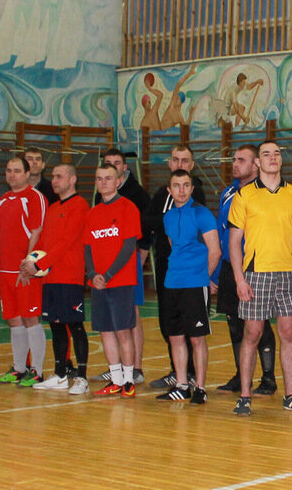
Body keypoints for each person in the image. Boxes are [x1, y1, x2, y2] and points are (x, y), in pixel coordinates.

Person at [229, 140, 292, 416]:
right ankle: (245, 396)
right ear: (258, 162)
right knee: (252, 334)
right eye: (266, 154)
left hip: (290, 274)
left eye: (277, 154)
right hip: (256, 274)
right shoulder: (244, 195)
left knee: (288, 334)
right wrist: (239, 279)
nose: (272, 158)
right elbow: (234, 242)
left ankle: (291, 394)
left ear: (281, 159)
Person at [214, 145, 278, 395]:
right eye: (234, 159)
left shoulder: (263, 192)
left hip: (254, 267)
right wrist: (216, 273)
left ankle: (269, 378)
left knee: (259, 324)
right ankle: (242, 375)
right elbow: (222, 234)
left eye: (241, 160)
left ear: (256, 165)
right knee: (234, 323)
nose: (235, 164)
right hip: (229, 267)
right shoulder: (228, 193)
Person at [143, 145, 206, 389]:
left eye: (185, 160)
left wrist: (162, 221)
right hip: (166, 266)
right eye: (176, 160)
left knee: (191, 327)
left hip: (189, 271)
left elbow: (183, 223)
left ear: (192, 165)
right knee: (169, 324)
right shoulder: (162, 193)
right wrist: (163, 221)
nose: (180, 164)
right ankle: (177, 371)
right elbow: (146, 221)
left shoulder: (196, 192)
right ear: (169, 163)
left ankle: (192, 375)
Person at [156, 169, 221, 404]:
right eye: (176, 185)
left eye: (186, 185)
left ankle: (200, 388)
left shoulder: (202, 213)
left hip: (195, 285)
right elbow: (174, 247)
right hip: (172, 284)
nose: (181, 190)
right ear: (169, 190)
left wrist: (204, 277)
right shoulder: (168, 217)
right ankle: (182, 385)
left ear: (192, 188)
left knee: (197, 338)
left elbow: (215, 251)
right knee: (175, 337)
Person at [24, 164, 90, 395]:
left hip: (69, 276)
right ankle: (60, 375)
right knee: (56, 325)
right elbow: (44, 241)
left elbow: (66, 242)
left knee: (75, 325)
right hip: (50, 278)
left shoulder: (80, 206)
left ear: (72, 180)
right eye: (53, 176)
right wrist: (29, 261)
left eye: (59, 176)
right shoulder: (52, 208)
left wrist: (39, 264)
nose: (54, 180)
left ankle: (81, 378)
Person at [92, 148, 150, 384]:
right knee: (108, 327)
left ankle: (134, 370)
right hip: (102, 276)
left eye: (116, 165)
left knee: (129, 319)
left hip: (125, 271)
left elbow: (139, 238)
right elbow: (90, 244)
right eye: (106, 165)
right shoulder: (96, 206)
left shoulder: (134, 199)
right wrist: (93, 274)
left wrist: (140, 259)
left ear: (121, 172)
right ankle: (116, 373)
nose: (105, 180)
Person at [0, 158, 48, 387]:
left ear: (27, 173)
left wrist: (28, 264)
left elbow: (37, 231)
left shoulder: (34, 197)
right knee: (14, 320)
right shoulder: (4, 199)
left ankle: (37, 371)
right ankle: (19, 369)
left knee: (30, 318)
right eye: (8, 170)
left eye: (16, 171)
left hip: (25, 271)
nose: (12, 175)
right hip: (5, 270)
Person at [85, 164, 141, 397]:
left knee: (122, 332)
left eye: (108, 178)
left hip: (120, 282)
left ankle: (128, 381)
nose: (103, 182)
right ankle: (115, 380)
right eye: (99, 178)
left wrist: (107, 275)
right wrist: (92, 275)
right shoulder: (92, 213)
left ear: (118, 181)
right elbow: (87, 248)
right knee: (105, 331)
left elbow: (129, 247)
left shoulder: (128, 208)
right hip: (98, 284)